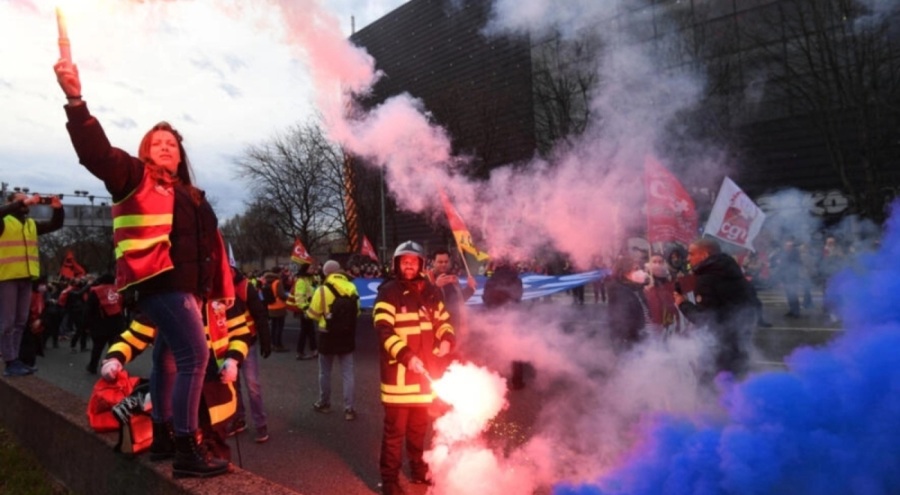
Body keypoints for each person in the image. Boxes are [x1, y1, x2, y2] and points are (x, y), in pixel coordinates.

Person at [55, 57, 234, 478]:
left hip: (184, 289)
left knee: (170, 360)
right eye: (157, 143)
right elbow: (95, 153)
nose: (166, 147)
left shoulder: (192, 194)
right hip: (159, 283)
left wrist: (215, 291)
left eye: (172, 143)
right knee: (195, 355)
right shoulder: (134, 176)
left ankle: (163, 438)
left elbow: (211, 249)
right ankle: (189, 448)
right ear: (145, 153)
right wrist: (76, 100)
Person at [373, 241, 455, 495]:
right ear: (397, 264)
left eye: (413, 260)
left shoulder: (432, 291)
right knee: (394, 434)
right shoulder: (388, 291)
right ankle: (389, 481)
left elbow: (444, 321)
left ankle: (418, 469)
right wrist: (407, 356)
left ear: (421, 264)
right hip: (398, 380)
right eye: (404, 260)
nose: (409, 264)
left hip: (425, 380)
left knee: (419, 430)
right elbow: (383, 330)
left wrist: (447, 340)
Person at [0, 191, 64, 376]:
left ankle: (15, 359)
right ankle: (10, 360)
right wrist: (18, 204)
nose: (26, 202)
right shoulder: (4, 222)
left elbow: (55, 224)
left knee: (21, 321)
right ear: (10, 203)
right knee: (7, 322)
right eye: (20, 199)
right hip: (6, 277)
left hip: (26, 277)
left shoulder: (30, 224)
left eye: (26, 199)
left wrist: (58, 210)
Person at [674, 238, 756, 379]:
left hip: (719, 348)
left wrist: (682, 303)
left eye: (691, 254)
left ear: (704, 255)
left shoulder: (707, 278)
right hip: (739, 342)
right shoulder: (732, 270)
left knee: (710, 391)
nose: (688, 259)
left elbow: (705, 319)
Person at [306, 260, 360, 421]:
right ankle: (349, 409)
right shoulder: (351, 287)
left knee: (325, 372)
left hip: (326, 335)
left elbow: (312, 314)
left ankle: (325, 403)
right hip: (346, 335)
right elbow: (356, 312)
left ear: (325, 273)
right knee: (348, 373)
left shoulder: (321, 290)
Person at [228, 266, 272, 443]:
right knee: (232, 385)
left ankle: (261, 424)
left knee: (252, 385)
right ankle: (239, 420)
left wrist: (265, 338)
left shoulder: (244, 286)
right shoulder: (213, 286)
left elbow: (259, 313)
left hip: (248, 342)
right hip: (225, 344)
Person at [481, 259, 525, 388]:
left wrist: (492, 308)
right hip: (513, 317)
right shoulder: (516, 279)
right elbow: (519, 296)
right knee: (516, 351)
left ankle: (496, 380)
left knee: (495, 349)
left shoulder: (491, 280)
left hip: (495, 318)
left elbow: (485, 298)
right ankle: (517, 381)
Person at [425, 247, 475, 349]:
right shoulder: (427, 279)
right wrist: (435, 287)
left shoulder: (453, 278)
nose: (443, 264)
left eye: (446, 262)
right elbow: (423, 302)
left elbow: (458, 300)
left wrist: (470, 289)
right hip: (437, 331)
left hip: (456, 328)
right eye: (440, 262)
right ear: (433, 262)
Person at [606, 255, 652, 351]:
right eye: (635, 269)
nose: (639, 271)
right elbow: (621, 322)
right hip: (632, 345)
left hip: (644, 339)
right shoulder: (619, 292)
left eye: (639, 268)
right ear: (625, 272)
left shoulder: (637, 288)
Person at [83, 273, 126, 375]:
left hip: (100, 324)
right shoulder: (119, 290)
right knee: (114, 348)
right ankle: (113, 368)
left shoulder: (95, 291)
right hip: (117, 323)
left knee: (97, 348)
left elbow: (88, 310)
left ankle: (92, 367)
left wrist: (86, 325)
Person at [644, 253, 680, 337]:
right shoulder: (644, 282)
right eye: (654, 262)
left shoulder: (669, 280)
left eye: (660, 262)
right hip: (653, 325)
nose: (658, 264)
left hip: (668, 322)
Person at [289, 262, 318, 360]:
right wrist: (305, 308)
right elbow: (299, 297)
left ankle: (313, 350)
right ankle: (300, 352)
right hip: (305, 310)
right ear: (305, 270)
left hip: (309, 308)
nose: (313, 271)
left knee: (309, 331)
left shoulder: (309, 280)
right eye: (311, 269)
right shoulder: (301, 281)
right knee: (305, 331)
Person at [262, 268, 289, 352]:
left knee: (273, 327)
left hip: (270, 306)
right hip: (279, 306)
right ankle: (278, 345)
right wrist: (287, 297)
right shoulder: (277, 282)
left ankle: (273, 344)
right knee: (279, 327)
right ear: (278, 272)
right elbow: (281, 294)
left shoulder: (266, 281)